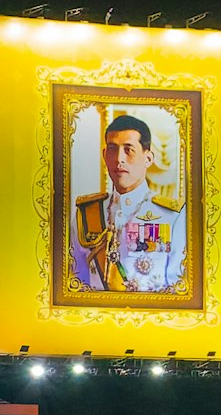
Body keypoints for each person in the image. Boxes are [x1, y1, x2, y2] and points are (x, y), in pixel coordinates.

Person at [71, 109, 187, 292]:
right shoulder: (87, 214)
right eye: (112, 149)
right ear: (104, 156)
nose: (119, 159)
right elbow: (75, 281)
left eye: (128, 150)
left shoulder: (172, 216)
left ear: (148, 158)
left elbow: (178, 288)